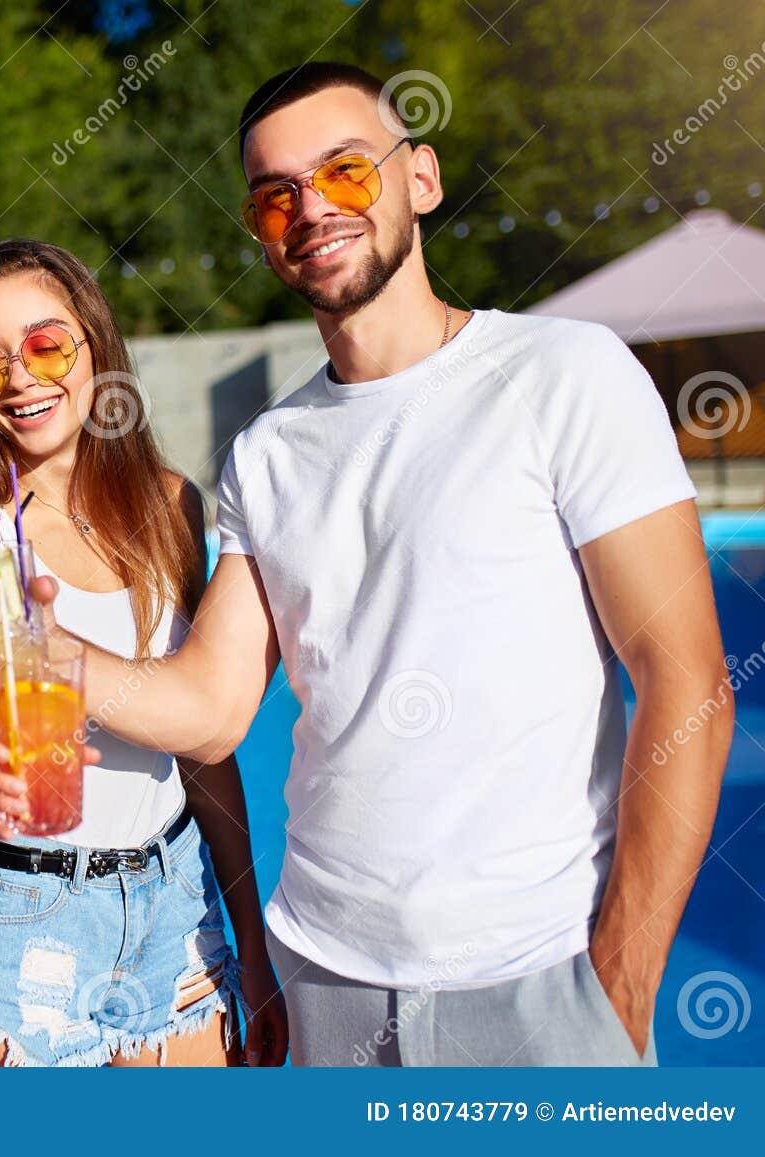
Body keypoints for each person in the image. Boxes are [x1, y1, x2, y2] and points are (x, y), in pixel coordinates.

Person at [36, 62, 731, 1066]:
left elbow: (685, 678)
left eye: (345, 170)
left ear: (421, 179)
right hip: (328, 977)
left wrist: (618, 981)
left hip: (537, 983)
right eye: (276, 195)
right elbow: (212, 706)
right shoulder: (267, 452)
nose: (311, 207)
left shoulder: (563, 375)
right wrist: (41, 648)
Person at [0, 238, 287, 1067]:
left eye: (47, 345)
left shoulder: (169, 502)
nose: (20, 378)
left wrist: (251, 942)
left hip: (175, 906)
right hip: (27, 912)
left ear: (94, 346)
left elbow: (203, 743)